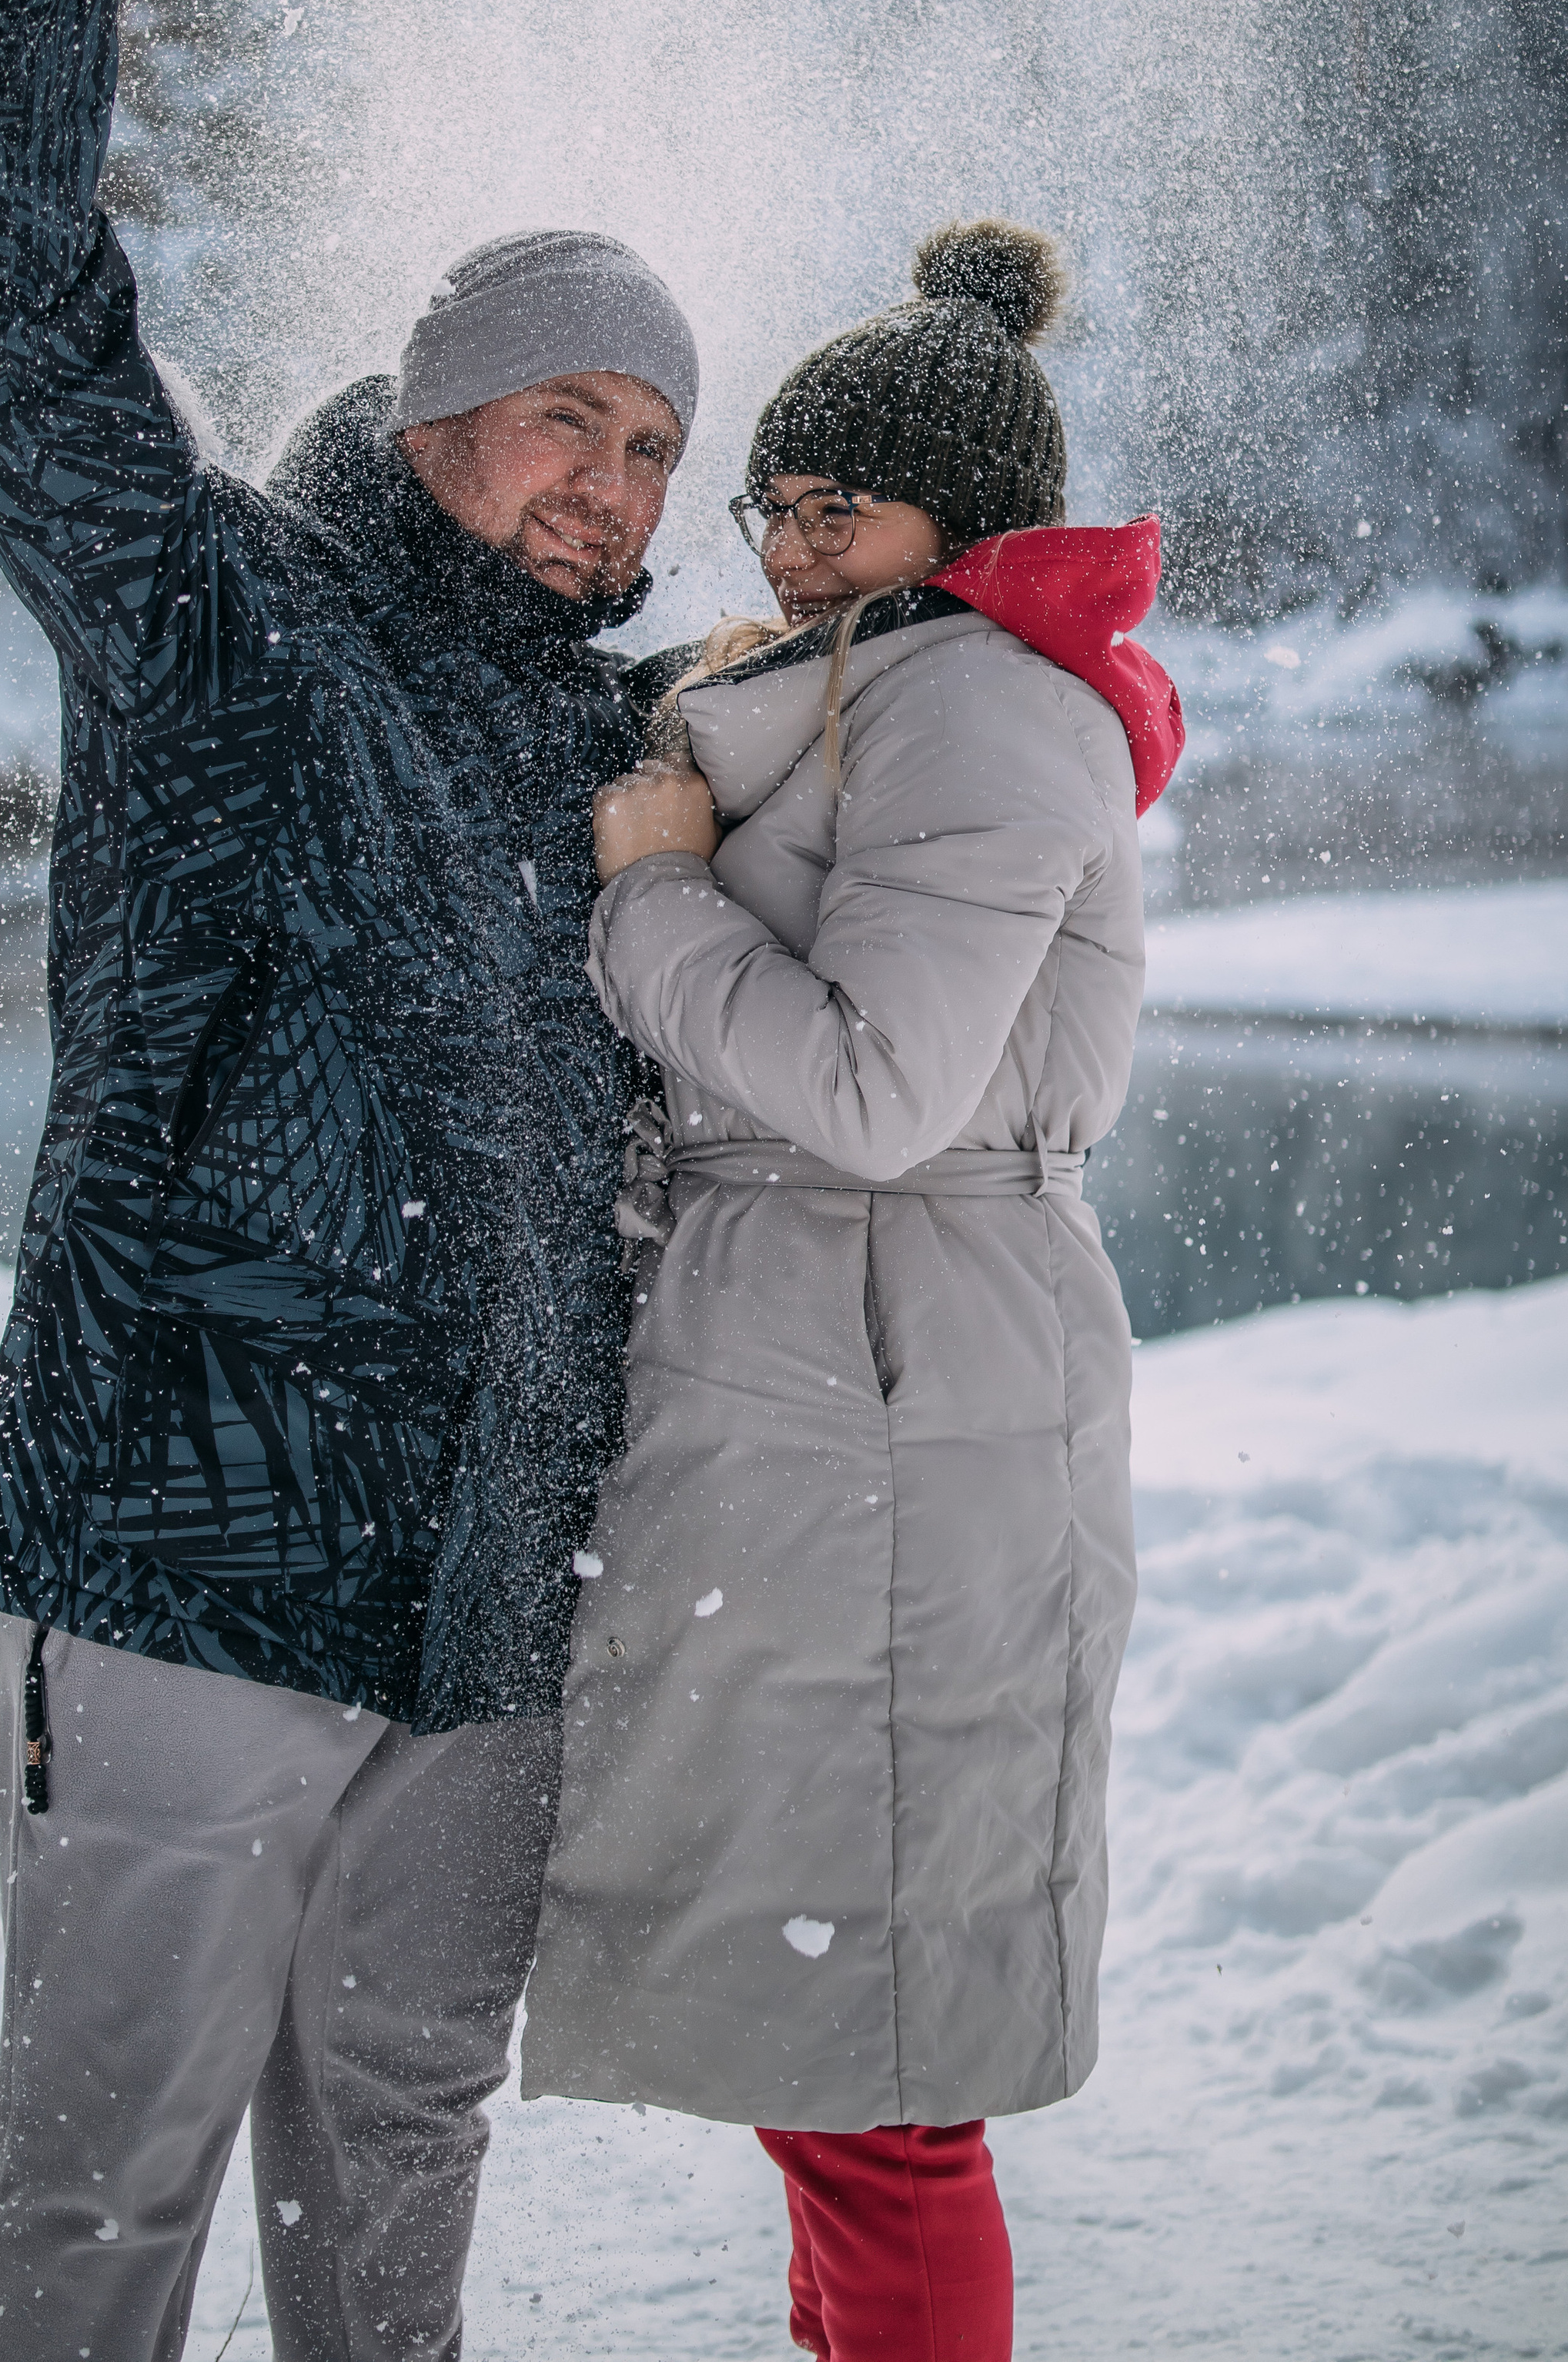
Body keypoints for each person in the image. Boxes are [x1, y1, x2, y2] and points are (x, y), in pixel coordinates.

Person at [0, 0, 700, 2362]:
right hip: (187, 1543)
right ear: (444, 411)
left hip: (481, 1578)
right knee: (106, 2174)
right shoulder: (233, 622)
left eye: (658, 454)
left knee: (399, 2152)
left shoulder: (628, 753)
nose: (616, 486)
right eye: (569, 419)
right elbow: (8, 322)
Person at [520, 222, 1185, 2362]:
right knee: (836, 2057)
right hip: (823, 1382)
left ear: (963, 525)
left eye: (847, 509)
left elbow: (879, 1093)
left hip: (901, 1393)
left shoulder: (985, 711)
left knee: (879, 2072)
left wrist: (652, 895)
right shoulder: (848, 677)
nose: (797, 549)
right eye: (779, 505)